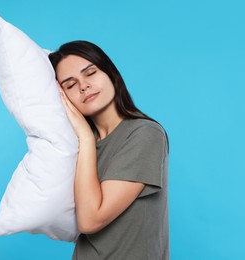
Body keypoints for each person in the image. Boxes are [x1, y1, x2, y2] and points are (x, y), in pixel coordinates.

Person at [49, 41, 169, 260]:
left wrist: (85, 137)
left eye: (90, 73)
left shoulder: (145, 134)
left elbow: (90, 220)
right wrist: (85, 139)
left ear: (111, 74)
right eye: (70, 85)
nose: (83, 86)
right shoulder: (74, 147)